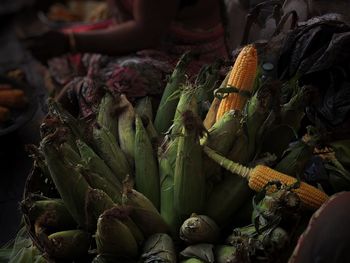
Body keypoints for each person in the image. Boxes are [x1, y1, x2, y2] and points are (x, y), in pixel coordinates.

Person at [24, 0, 229, 117]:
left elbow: (145, 33)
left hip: (187, 54)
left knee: (115, 84)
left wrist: (71, 42)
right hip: (144, 41)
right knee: (64, 59)